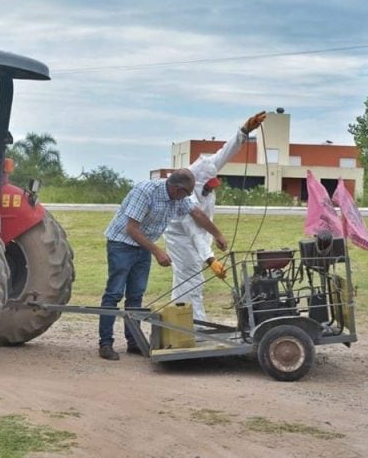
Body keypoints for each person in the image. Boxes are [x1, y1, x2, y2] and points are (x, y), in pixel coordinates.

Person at [98, 168, 228, 360]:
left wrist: (217, 234)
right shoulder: (145, 192)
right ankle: (105, 344)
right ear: (176, 188)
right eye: (187, 193)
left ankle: (133, 342)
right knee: (114, 293)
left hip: (142, 246)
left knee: (136, 296)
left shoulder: (179, 198)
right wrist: (157, 251)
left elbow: (197, 214)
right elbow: (131, 229)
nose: (188, 197)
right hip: (122, 244)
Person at [164, 111, 267, 323]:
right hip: (181, 238)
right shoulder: (185, 196)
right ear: (196, 184)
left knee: (184, 282)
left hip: (198, 235)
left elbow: (225, 152)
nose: (212, 191)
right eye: (208, 188)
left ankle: (179, 323)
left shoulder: (206, 168)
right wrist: (210, 259)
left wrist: (244, 130)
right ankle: (197, 328)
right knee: (192, 281)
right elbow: (193, 230)